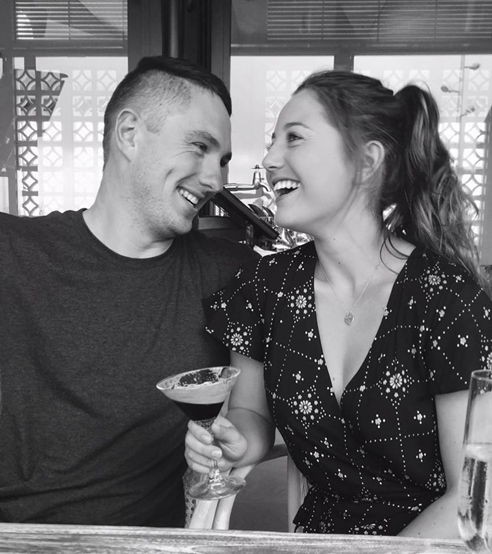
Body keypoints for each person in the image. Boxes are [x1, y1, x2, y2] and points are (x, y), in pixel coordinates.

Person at [0, 56, 258, 527]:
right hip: (4, 538)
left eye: (223, 160)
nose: (215, 180)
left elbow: (260, 409)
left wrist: (236, 441)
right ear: (129, 134)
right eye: (199, 147)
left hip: (139, 543)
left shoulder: (229, 273)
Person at [185, 70, 492, 537]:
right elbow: (252, 416)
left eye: (294, 138)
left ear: (367, 161)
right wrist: (236, 441)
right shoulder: (265, 288)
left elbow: (473, 496)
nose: (270, 158)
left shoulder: (447, 300)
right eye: (272, 141)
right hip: (319, 538)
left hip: (428, 543)